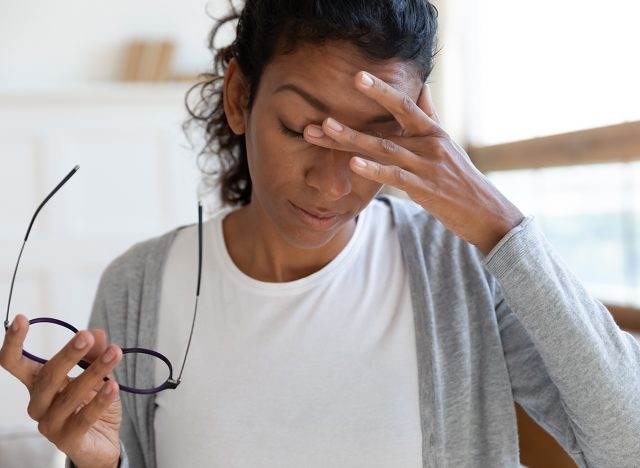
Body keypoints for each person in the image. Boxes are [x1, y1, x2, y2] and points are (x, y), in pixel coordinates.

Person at [2, 0, 640, 467]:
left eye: (375, 138)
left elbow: (628, 443)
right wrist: (99, 465)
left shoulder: (463, 267)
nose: (335, 184)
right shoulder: (137, 286)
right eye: (302, 128)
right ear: (238, 97)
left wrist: (500, 225)